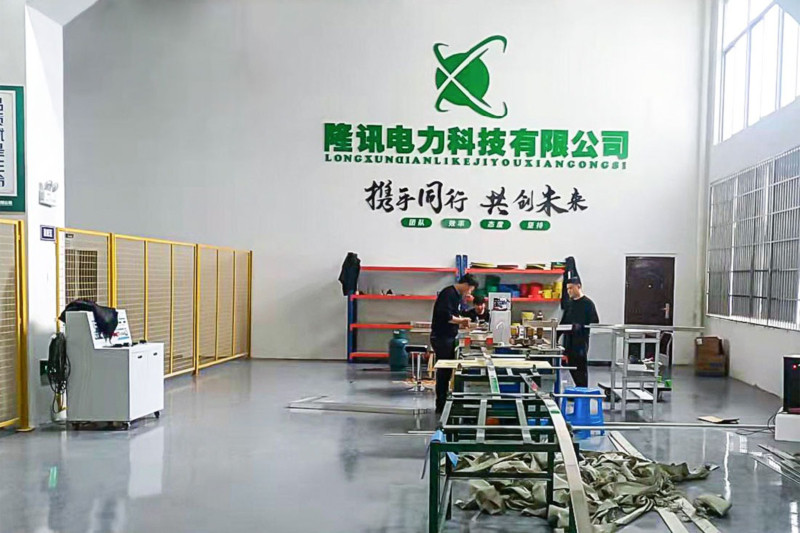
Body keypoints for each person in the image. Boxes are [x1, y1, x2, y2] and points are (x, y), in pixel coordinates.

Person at [431, 274, 479, 413]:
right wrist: (462, 321)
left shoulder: (456, 295)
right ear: (466, 285)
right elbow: (446, 316)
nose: (469, 293)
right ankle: (441, 404)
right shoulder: (448, 294)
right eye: (470, 289)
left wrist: (461, 322)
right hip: (441, 337)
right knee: (444, 371)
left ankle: (444, 401)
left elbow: (453, 315)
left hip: (448, 336)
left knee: (447, 371)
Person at [559, 277, 599, 388]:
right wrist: (554, 338)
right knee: (571, 366)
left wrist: (580, 325)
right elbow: (563, 323)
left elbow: (595, 320)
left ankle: (583, 390)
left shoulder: (588, 304)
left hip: (581, 342)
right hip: (569, 342)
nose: (569, 291)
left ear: (579, 286)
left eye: (571, 288)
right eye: (567, 289)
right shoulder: (569, 304)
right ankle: (578, 388)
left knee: (581, 369)